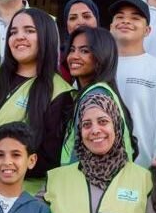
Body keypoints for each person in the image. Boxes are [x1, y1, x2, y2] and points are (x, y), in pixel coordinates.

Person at [0, 8, 72, 195]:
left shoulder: (60, 92)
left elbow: (50, 160)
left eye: (29, 31)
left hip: (20, 199)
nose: (19, 37)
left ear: (46, 36)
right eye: (13, 32)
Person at [110, 0, 156, 167]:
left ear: (148, 30)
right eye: (120, 17)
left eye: (135, 18)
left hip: (142, 174)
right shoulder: (95, 69)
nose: (126, 21)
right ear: (111, 27)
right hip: (94, 174)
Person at [53, 25, 136, 165]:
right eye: (72, 50)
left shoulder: (95, 98)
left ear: (101, 56)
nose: (73, 56)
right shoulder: (99, 92)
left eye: (84, 51)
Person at [57, 0, 100, 81]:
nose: (80, 22)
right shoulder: (56, 59)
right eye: (73, 18)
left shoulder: (109, 54)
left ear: (97, 20)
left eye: (86, 16)